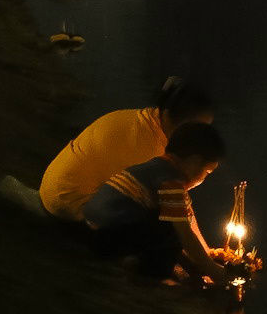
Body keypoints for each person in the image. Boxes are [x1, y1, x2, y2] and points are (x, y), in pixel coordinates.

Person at [39, 77, 214, 221]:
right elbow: (176, 211)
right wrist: (206, 260)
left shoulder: (140, 119)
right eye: (197, 128)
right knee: (160, 223)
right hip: (70, 207)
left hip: (50, 191)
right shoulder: (152, 148)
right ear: (172, 118)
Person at [82, 122, 229, 283]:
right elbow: (185, 234)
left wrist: (205, 256)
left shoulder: (155, 166)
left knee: (170, 224)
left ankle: (131, 259)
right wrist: (214, 271)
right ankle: (146, 272)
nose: (204, 178)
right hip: (108, 236)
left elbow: (188, 220)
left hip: (91, 228)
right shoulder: (171, 181)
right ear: (194, 162)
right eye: (207, 171)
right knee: (171, 230)